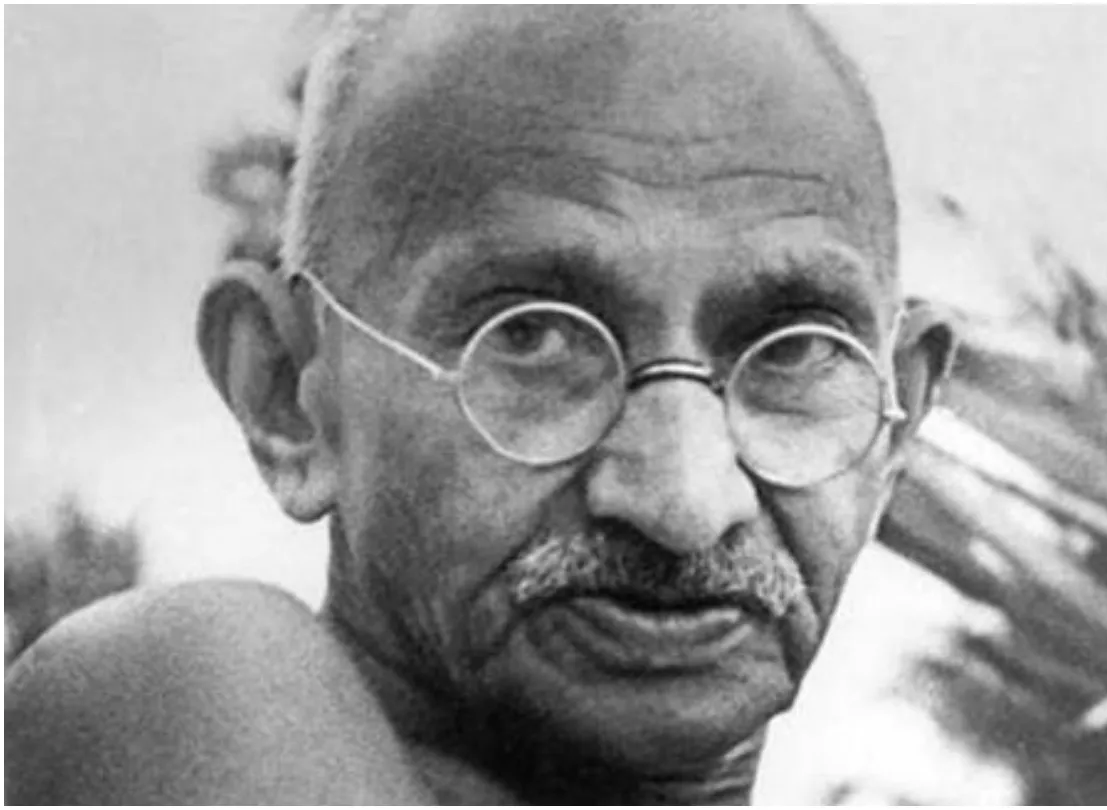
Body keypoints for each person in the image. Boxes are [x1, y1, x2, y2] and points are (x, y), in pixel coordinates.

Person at [5, 6, 954, 804]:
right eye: (533, 339)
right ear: (285, 393)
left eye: (794, 352)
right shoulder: (185, 690)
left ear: (899, 417)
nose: (684, 502)